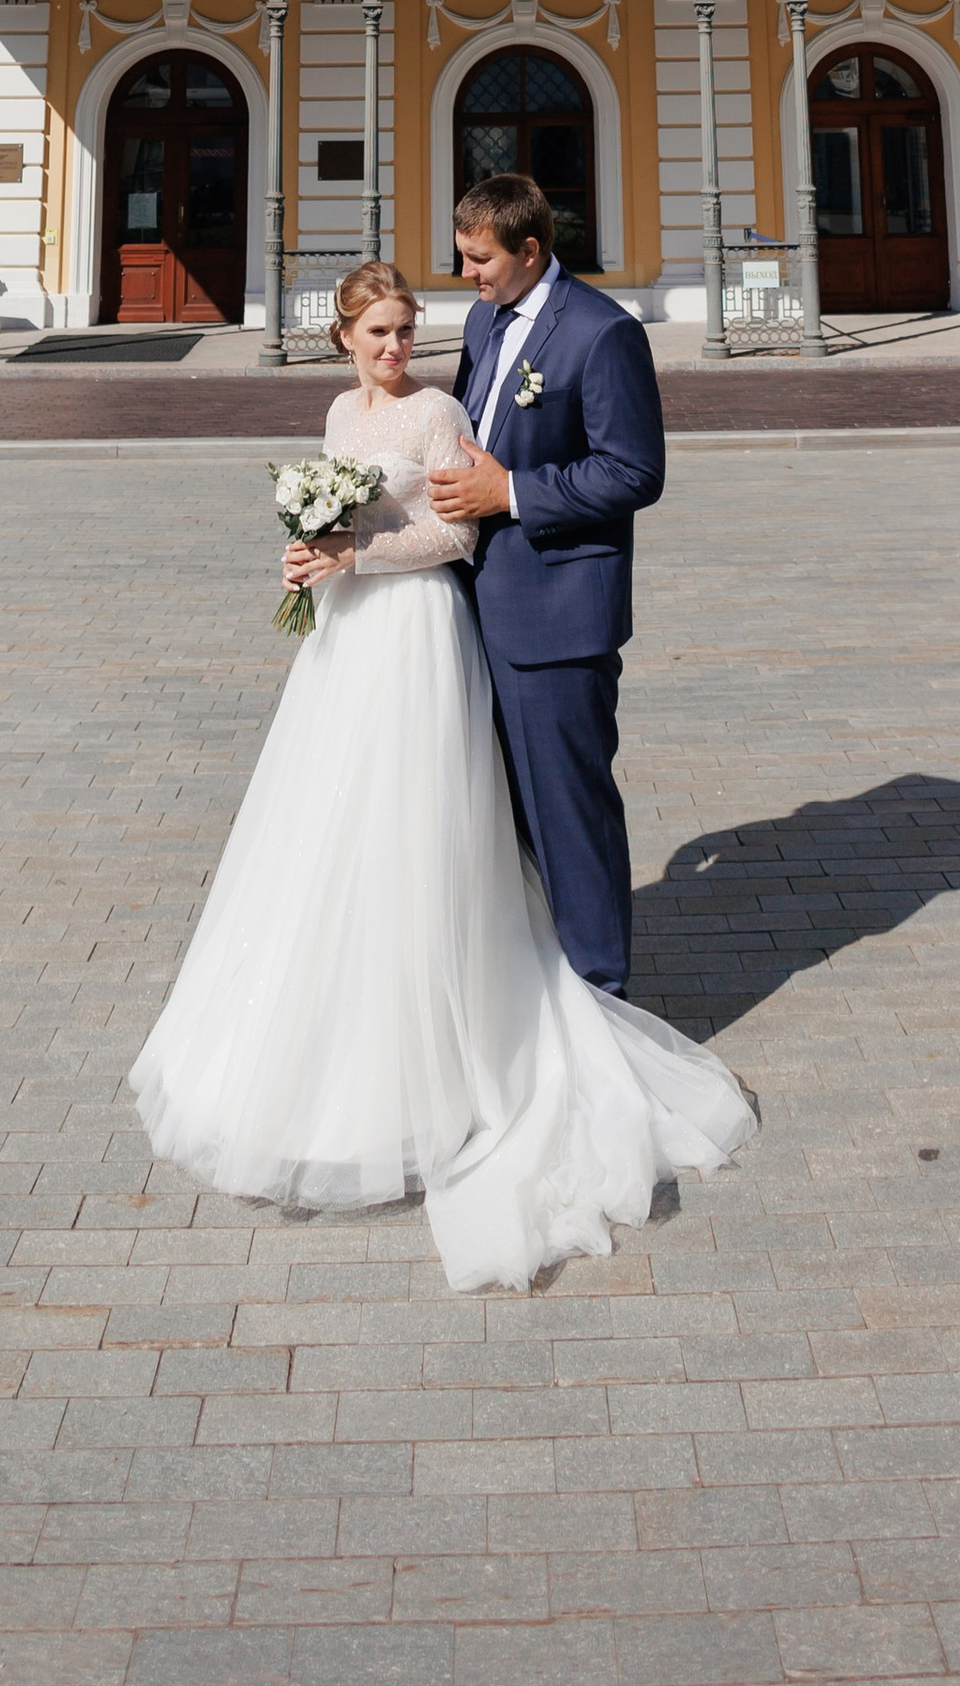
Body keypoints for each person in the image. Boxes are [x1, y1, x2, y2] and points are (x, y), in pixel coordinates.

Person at [128, 256, 751, 1293]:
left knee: (420, 825)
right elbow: (336, 517)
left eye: (406, 331)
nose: (395, 349)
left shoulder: (437, 410)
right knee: (326, 830)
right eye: (377, 334)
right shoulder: (337, 415)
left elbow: (455, 530)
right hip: (345, 646)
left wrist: (354, 556)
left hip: (416, 634)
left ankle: (470, 1026)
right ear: (342, 339)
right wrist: (305, 549)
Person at [427, 171, 663, 993]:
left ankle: (602, 995)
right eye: (461, 258)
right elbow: (468, 434)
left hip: (559, 613)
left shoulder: (602, 335)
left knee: (570, 815)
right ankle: (539, 985)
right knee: (509, 814)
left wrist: (513, 494)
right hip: (480, 600)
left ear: (531, 251)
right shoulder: (485, 318)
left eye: (480, 260)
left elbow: (634, 472)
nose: (467, 276)